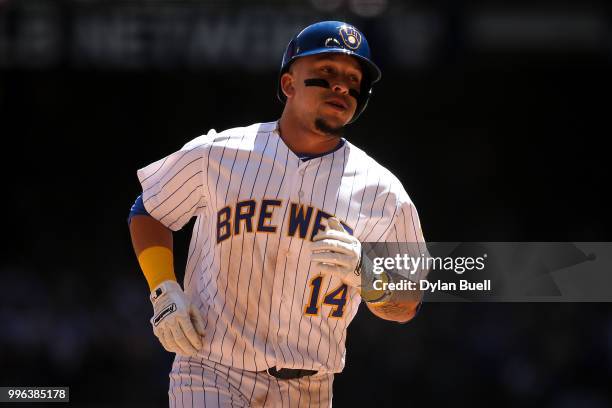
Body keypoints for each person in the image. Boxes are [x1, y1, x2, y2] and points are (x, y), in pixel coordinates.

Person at [128, 20, 427, 407]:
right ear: (288, 84)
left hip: (310, 388)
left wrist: (367, 274)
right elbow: (149, 210)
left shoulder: (384, 192)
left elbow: (409, 303)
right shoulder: (219, 153)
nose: (341, 86)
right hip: (212, 369)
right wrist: (163, 290)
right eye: (326, 72)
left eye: (353, 79)